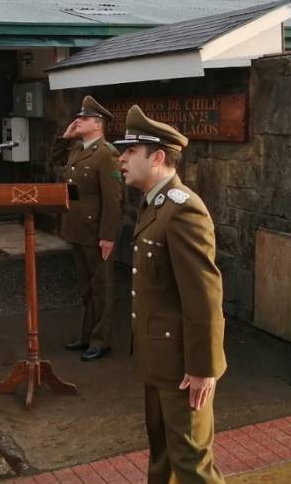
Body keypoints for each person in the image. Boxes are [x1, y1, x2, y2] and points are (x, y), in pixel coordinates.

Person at [114, 105, 226, 484]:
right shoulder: (154, 205)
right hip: (158, 360)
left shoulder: (183, 211)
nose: (122, 159)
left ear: (157, 158)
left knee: (192, 462)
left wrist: (203, 368)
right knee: (162, 456)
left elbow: (204, 295)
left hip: (182, 367)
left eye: (130, 152)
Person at [51, 95, 123, 361]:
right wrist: (65, 137)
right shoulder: (78, 149)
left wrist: (107, 236)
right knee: (85, 287)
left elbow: (113, 200)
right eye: (78, 117)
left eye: (83, 119)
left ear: (98, 124)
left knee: (101, 287)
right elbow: (55, 159)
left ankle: (101, 340)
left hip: (95, 233)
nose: (77, 121)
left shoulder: (106, 154)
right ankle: (85, 336)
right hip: (76, 228)